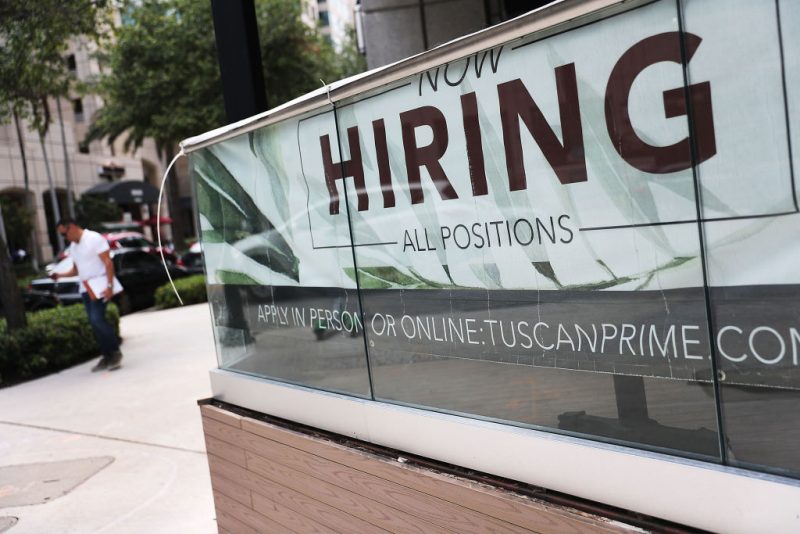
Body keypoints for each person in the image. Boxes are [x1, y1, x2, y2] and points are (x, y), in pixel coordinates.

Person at [51, 218, 123, 372]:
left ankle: (115, 353)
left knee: (97, 319)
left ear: (72, 227)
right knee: (94, 322)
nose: (65, 238)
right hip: (85, 289)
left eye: (64, 233)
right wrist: (60, 275)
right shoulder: (73, 247)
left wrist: (109, 286)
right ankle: (106, 355)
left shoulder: (94, 238)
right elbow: (76, 270)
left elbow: (108, 263)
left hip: (100, 287)